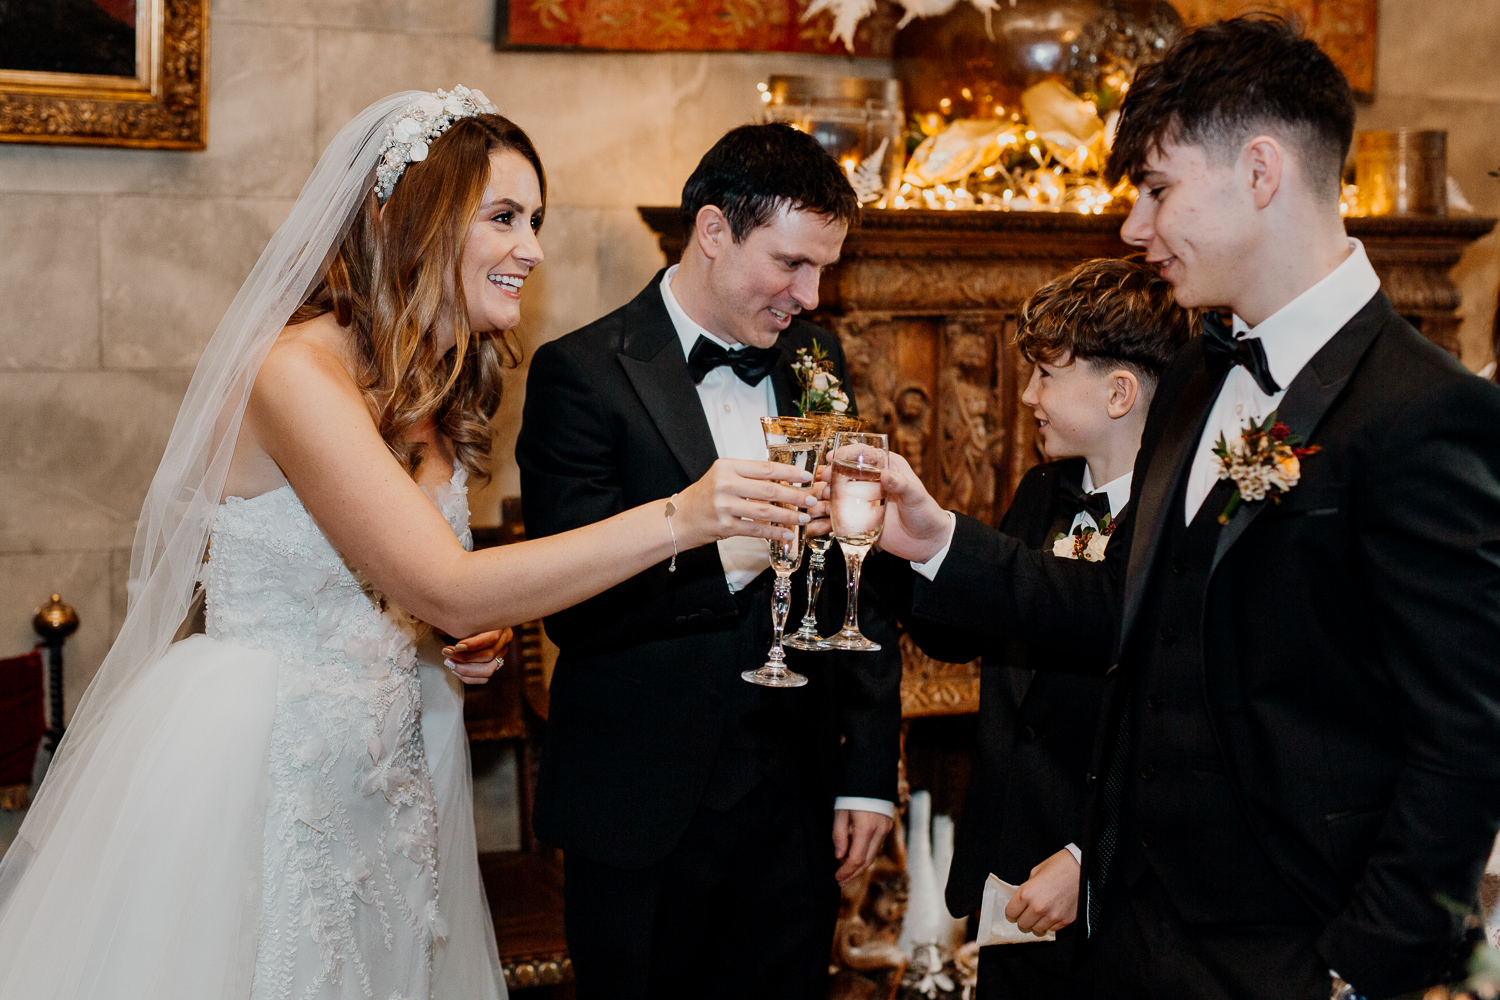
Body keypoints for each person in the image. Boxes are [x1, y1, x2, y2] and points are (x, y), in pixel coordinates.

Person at [0, 89, 817, 1000]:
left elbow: (417, 595)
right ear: (411, 220)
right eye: (503, 217)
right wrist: (682, 516)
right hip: (267, 768)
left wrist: (449, 642)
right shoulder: (295, 371)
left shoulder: (425, 384)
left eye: (535, 220)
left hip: (385, 778)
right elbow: (450, 582)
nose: (533, 250)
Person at [875, 16, 1500, 1000]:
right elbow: (1127, 606)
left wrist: (1362, 968)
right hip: (1124, 936)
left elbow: (1465, 735)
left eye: (1159, 189)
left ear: (1260, 172)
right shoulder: (1198, 377)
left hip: (1290, 951)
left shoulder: (1428, 413)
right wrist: (941, 543)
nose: (1134, 228)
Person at [515, 123, 903, 1000]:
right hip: (641, 809)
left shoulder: (818, 361)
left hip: (793, 805)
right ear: (715, 231)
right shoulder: (580, 373)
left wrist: (868, 774)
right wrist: (731, 551)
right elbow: (572, 610)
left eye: (825, 271)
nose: (811, 295)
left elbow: (860, 572)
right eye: (792, 264)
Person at [881, 257, 1191, 999]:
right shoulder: (1042, 489)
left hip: (1121, 887)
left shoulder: (1181, 518)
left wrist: (1089, 855)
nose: (1026, 397)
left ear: (1119, 392)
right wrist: (887, 552)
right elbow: (973, 631)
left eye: (1047, 375)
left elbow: (1178, 723)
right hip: (1013, 878)